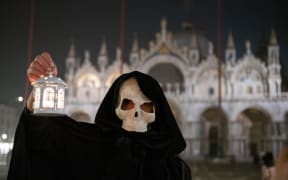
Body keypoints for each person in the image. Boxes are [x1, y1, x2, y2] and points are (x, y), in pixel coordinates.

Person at [7, 52, 192, 180]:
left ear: (157, 113)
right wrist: (41, 89)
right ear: (115, 109)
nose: (136, 112)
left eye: (146, 106)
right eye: (127, 103)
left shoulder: (176, 169)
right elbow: (44, 136)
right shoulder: (93, 146)